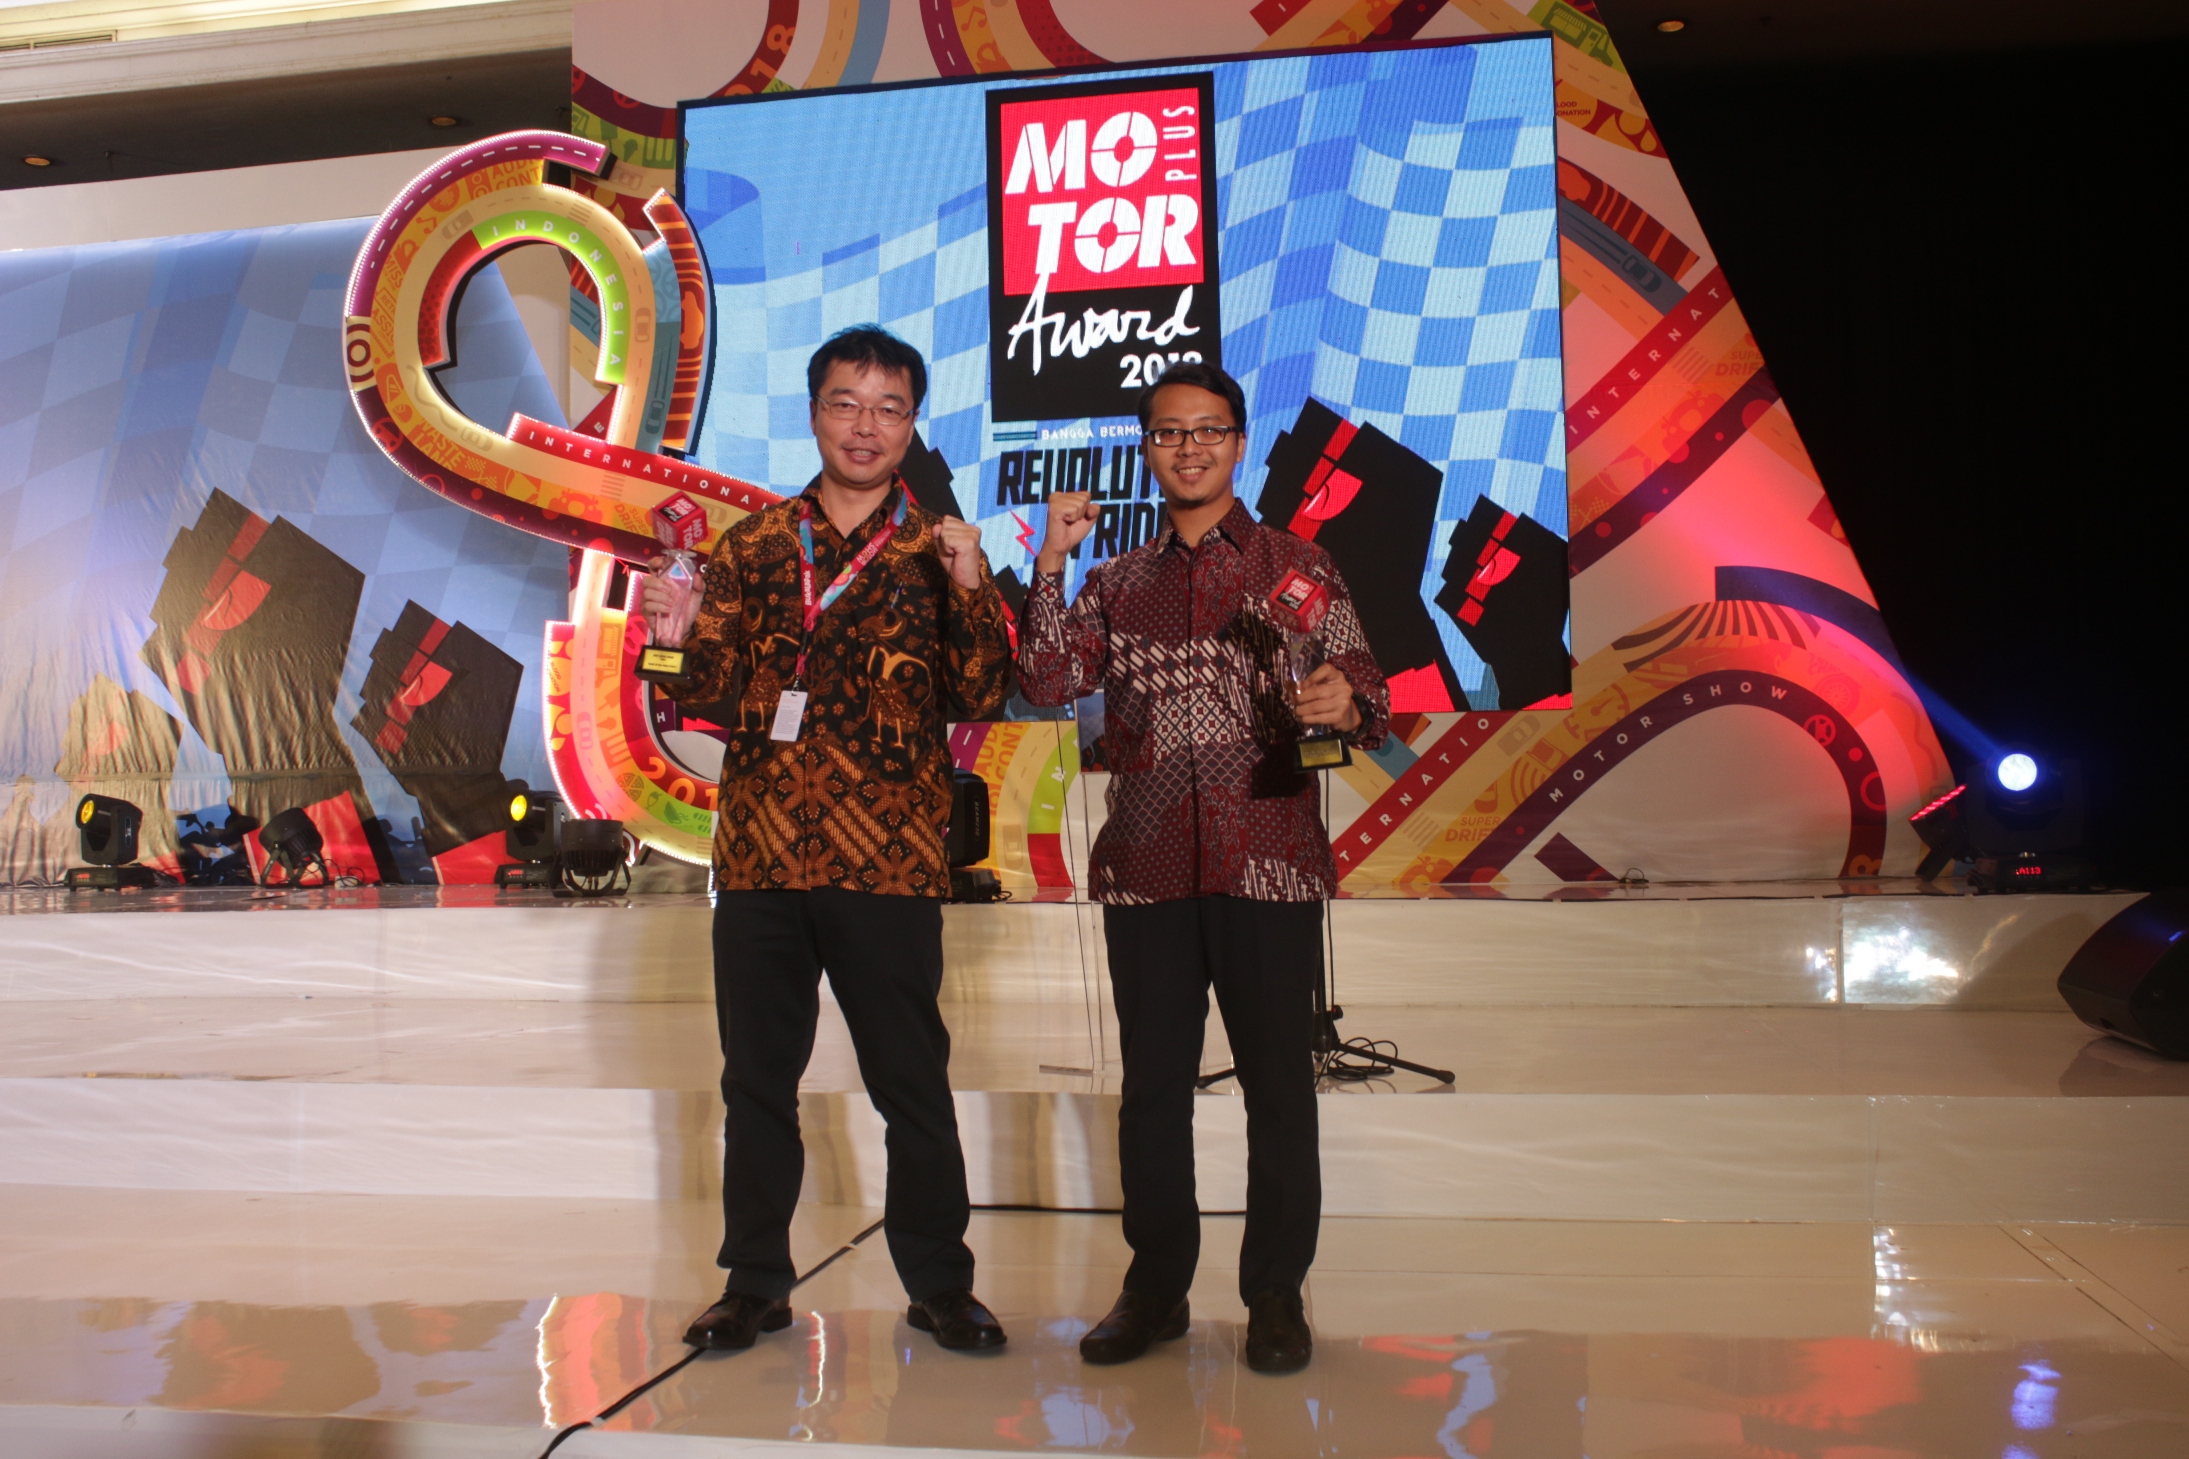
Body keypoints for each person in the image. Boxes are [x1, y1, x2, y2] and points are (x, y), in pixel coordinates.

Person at [644, 326, 1015, 1353]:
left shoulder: (938, 549)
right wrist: (669, 640)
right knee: (756, 1082)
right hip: (761, 853)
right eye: (846, 403)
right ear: (814, 413)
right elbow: (705, 692)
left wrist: (974, 583)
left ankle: (940, 1284)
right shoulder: (753, 544)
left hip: (888, 859)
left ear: (911, 425)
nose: (865, 426)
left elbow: (983, 690)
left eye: (888, 408)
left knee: (911, 1083)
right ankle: (754, 1282)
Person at [1015, 362, 1389, 1374]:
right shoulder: (1114, 582)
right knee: (1151, 1094)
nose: (1189, 447)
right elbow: (1047, 677)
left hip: (1266, 860)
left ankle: (1274, 1293)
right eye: (1169, 432)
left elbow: (1367, 689)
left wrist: (1346, 702)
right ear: (1147, 448)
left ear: (1238, 441)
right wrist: (1050, 561)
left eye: (1208, 429)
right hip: (1145, 869)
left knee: (1279, 1090)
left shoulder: (1295, 566)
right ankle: (1154, 1288)